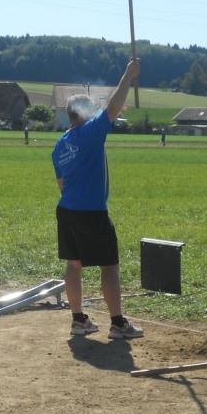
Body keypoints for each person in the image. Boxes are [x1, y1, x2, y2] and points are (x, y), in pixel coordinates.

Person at [51, 58, 143, 340]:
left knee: (73, 264)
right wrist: (128, 75)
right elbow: (112, 109)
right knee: (109, 266)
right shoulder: (90, 133)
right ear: (82, 112)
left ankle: (78, 320)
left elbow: (60, 183)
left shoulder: (61, 143)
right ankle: (117, 324)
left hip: (67, 210)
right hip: (91, 211)